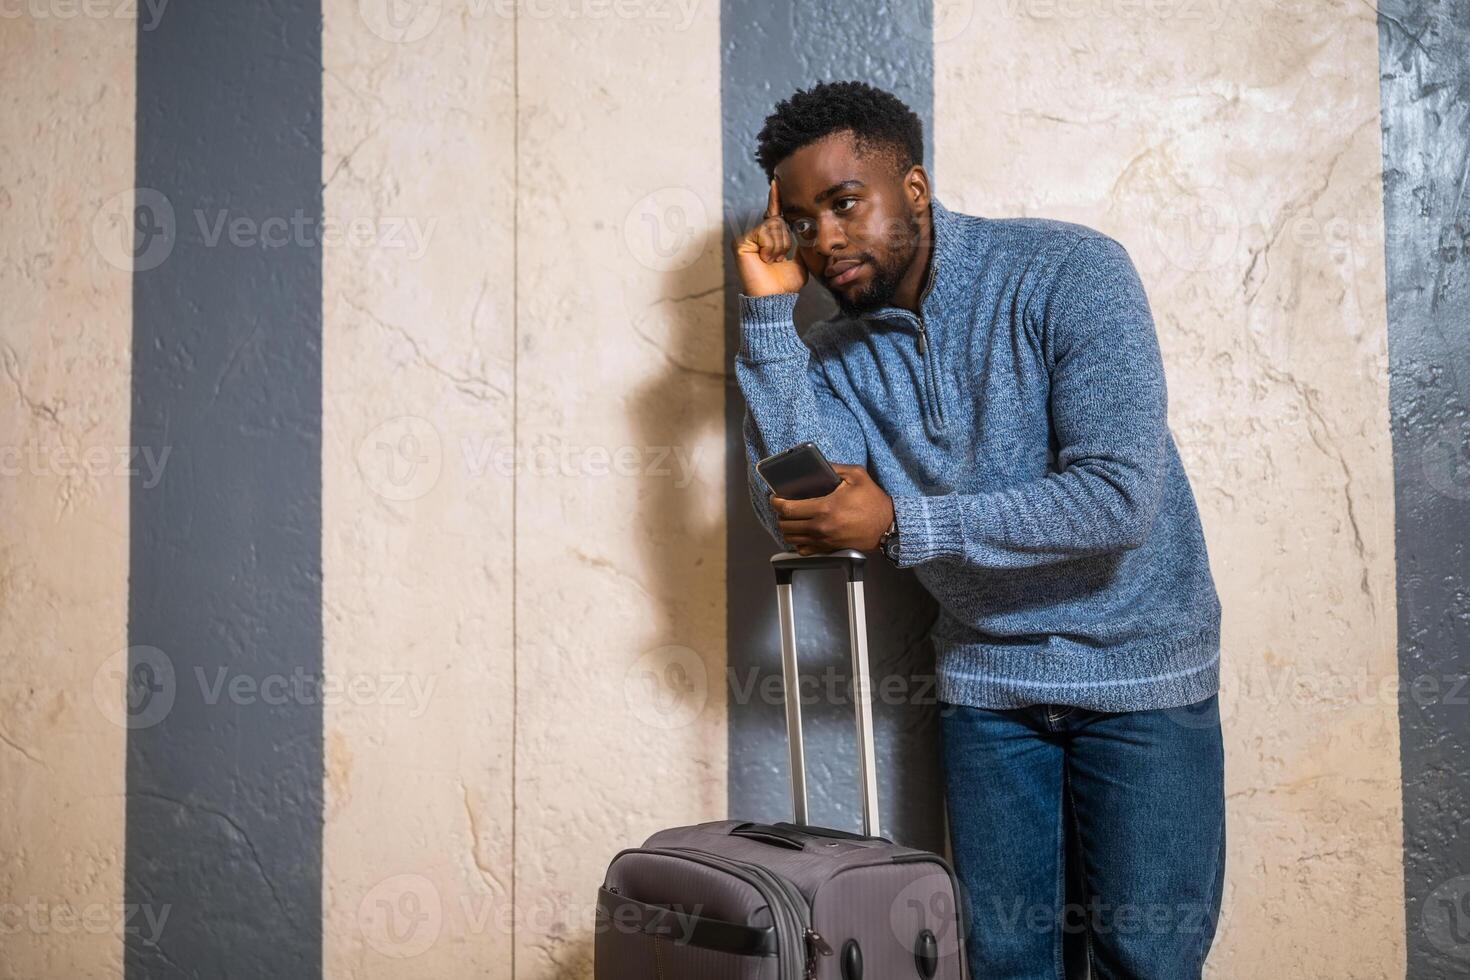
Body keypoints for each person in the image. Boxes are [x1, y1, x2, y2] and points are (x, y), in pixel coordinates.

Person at [732, 80, 1226, 980]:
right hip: (988, 689)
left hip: (1143, 674)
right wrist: (770, 318)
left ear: (913, 189)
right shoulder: (835, 355)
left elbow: (1118, 498)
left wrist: (904, 520)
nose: (825, 238)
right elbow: (799, 512)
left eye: (845, 203)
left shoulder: (1070, 273)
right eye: (801, 221)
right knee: (1003, 962)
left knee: (1148, 960)